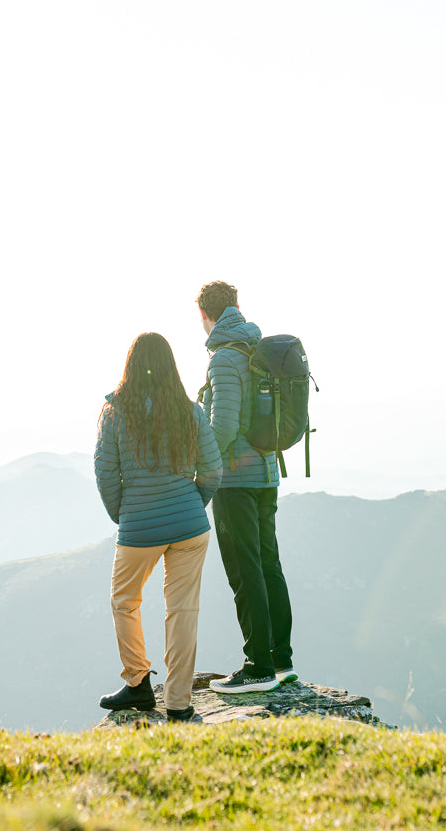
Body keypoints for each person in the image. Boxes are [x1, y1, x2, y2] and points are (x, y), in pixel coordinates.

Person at [94, 331, 222, 722]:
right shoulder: (189, 410)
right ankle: (180, 704)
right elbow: (212, 469)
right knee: (183, 611)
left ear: (130, 366)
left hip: (139, 530)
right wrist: (191, 504)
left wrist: (126, 514)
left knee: (124, 602)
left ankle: (137, 684)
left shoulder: (115, 412)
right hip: (190, 528)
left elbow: (105, 474)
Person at [196, 281, 296, 694]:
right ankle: (281, 659)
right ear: (236, 306)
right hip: (268, 473)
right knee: (268, 563)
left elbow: (223, 425)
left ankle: (257, 667)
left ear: (205, 316)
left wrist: (202, 468)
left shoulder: (223, 358)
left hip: (235, 480)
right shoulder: (256, 348)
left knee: (244, 568)